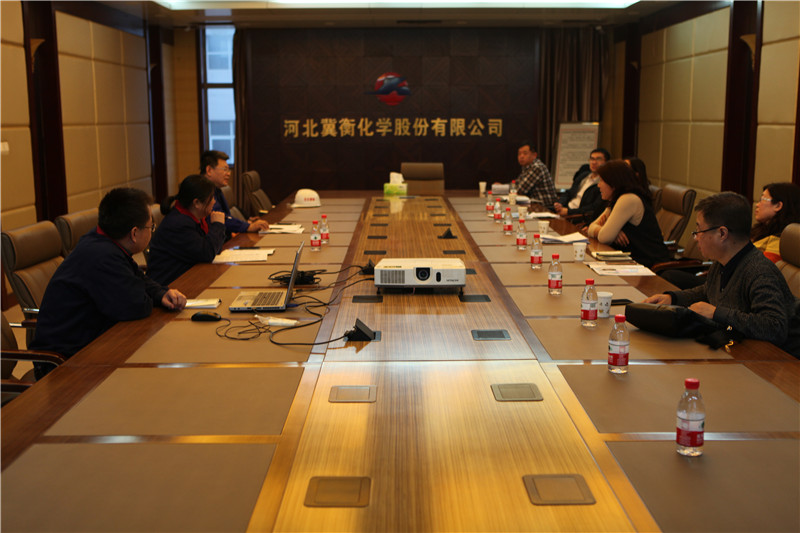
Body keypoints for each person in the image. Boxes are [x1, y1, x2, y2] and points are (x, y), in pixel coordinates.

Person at [30, 188, 187, 372]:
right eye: (151, 227)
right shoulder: (102, 256)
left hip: (91, 345)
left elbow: (136, 276)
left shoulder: (103, 240)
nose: (152, 232)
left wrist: (161, 293)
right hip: (63, 363)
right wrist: (148, 293)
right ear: (134, 233)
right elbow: (138, 306)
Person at [644, 192, 800, 357]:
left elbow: (774, 327)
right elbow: (708, 291)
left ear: (722, 233)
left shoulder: (759, 271)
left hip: (777, 361)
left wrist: (716, 313)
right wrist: (673, 298)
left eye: (699, 230)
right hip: (741, 348)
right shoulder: (722, 262)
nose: (696, 237)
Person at [586, 160, 671, 267]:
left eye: (602, 181)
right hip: (631, 262)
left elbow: (604, 237)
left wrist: (608, 231)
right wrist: (609, 231)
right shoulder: (616, 199)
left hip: (650, 265)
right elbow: (591, 228)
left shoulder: (628, 199)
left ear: (614, 183)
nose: (598, 185)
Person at [147, 175, 227, 285]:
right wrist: (218, 225)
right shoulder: (179, 224)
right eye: (211, 198)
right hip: (171, 285)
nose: (214, 202)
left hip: (189, 277)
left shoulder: (195, 218)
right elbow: (207, 253)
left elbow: (215, 248)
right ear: (196, 203)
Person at [201, 150, 269, 237]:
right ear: (209, 170)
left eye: (228, 170)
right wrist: (248, 226)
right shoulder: (203, 192)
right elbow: (219, 219)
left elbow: (225, 217)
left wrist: (247, 222)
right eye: (225, 169)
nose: (228, 174)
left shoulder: (216, 190)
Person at [553, 148, 610, 221]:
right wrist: (560, 204)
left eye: (598, 159)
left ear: (606, 162)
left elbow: (594, 207)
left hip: (577, 216)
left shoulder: (605, 183)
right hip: (565, 210)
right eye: (592, 159)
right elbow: (569, 193)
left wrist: (568, 212)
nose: (594, 162)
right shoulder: (584, 176)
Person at [751, 182, 800, 263]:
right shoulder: (761, 230)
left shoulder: (780, 240)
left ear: (778, 206)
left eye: (762, 199)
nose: (757, 205)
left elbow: (761, 267)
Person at [515, 141, 558, 209]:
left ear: (534, 155)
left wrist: (504, 188)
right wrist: (503, 186)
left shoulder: (537, 167)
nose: (521, 156)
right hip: (535, 205)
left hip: (546, 208)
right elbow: (516, 184)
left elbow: (520, 190)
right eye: (519, 154)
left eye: (525, 153)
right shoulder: (527, 167)